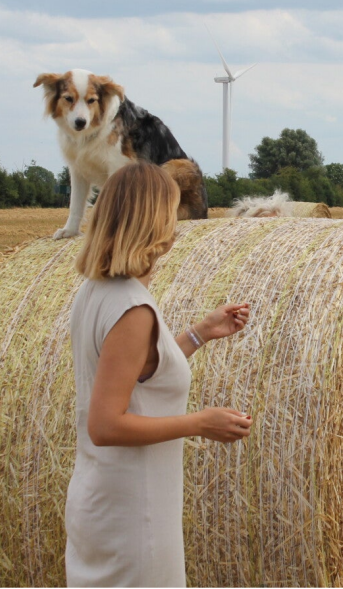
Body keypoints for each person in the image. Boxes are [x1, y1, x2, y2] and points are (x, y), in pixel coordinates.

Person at [65, 161, 253, 588]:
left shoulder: (98, 292)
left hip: (102, 499)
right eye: (172, 211)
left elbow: (139, 376)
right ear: (156, 223)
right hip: (135, 515)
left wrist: (200, 333)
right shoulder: (132, 308)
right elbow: (105, 425)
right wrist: (200, 423)